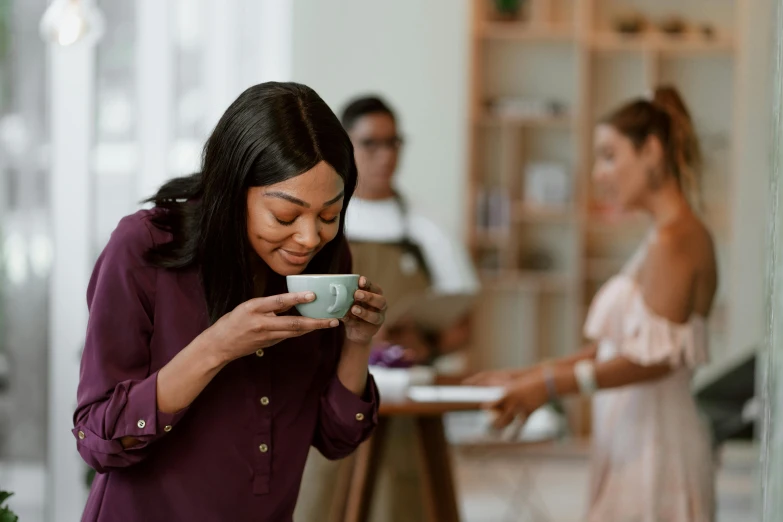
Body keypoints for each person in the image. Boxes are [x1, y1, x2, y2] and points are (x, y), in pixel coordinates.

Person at [72, 82, 386, 522]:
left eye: (329, 215)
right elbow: (97, 439)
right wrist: (216, 347)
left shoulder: (324, 263)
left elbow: (337, 439)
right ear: (232, 189)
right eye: (285, 216)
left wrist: (357, 341)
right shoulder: (143, 247)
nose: (310, 237)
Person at [468, 86, 717, 522]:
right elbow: (618, 351)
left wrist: (547, 387)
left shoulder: (677, 240)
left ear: (652, 152)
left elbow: (652, 361)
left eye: (608, 155)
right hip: (631, 442)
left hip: (655, 451)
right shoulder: (660, 238)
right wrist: (525, 376)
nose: (599, 174)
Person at [295, 96, 478, 521]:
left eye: (394, 143)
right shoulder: (319, 226)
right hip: (328, 402)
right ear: (343, 146)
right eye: (371, 143)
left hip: (401, 412)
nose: (385, 155)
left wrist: (423, 344)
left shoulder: (427, 230)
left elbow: (463, 322)